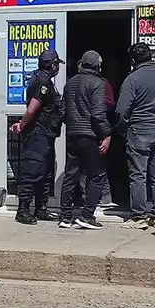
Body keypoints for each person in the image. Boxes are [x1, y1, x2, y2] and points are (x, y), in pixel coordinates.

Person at [116, 42, 155, 230]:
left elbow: (121, 110)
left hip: (139, 131)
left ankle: (139, 216)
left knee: (138, 175)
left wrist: (122, 129)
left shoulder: (132, 79)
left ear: (133, 60)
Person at [58, 50, 112, 230]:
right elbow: (98, 114)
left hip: (73, 134)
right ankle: (87, 215)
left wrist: (73, 124)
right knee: (97, 175)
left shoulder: (70, 83)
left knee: (71, 174)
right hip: (90, 135)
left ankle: (65, 216)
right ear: (98, 65)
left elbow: (62, 112)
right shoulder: (97, 83)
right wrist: (106, 134)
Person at [10, 49, 65, 225]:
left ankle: (41, 208)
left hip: (46, 134)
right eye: (57, 64)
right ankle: (23, 210)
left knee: (45, 173)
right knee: (32, 172)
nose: (58, 68)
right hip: (37, 134)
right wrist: (22, 124)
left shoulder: (45, 79)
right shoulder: (42, 81)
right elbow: (33, 108)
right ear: (53, 65)